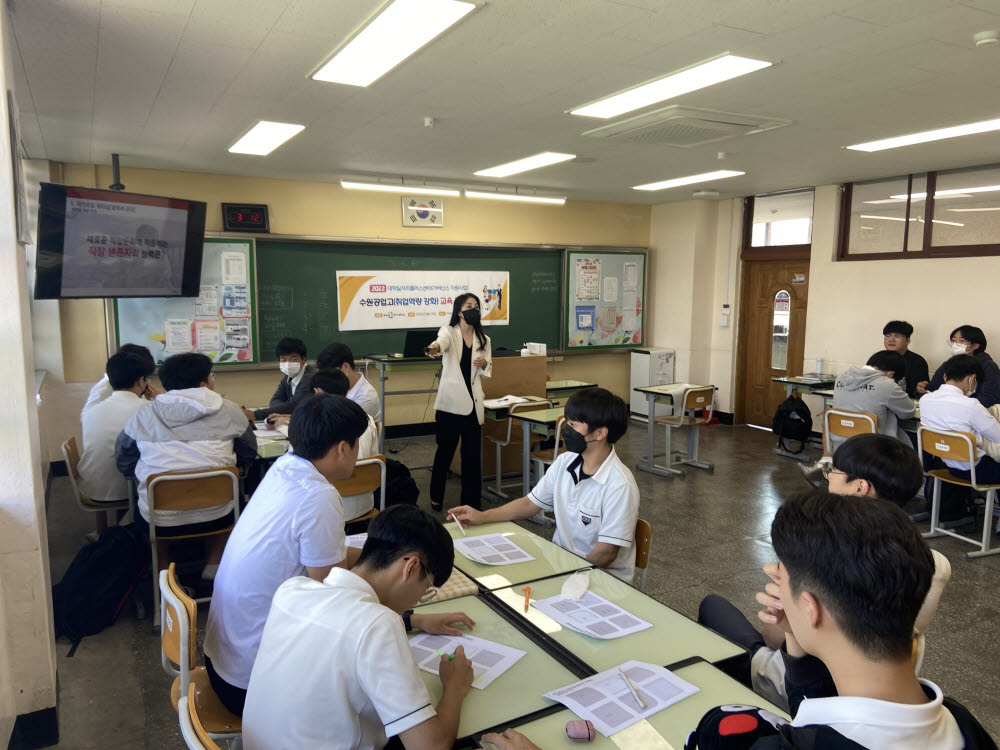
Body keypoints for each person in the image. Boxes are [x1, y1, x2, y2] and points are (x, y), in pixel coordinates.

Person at [701, 434, 949, 711]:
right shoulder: (928, 561)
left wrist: (787, 613)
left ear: (860, 487)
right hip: (875, 694)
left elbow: (775, 639)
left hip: (803, 683)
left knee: (712, 608)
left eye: (834, 471)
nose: (827, 478)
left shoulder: (821, 548)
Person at [242, 505, 475, 750]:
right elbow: (431, 746)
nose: (418, 599)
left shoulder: (292, 590)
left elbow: (342, 622)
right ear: (411, 567)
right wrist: (454, 687)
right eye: (426, 589)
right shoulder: (380, 625)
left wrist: (413, 620)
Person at [451, 387, 639, 581]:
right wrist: (482, 516)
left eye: (573, 425)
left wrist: (568, 578)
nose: (566, 429)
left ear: (599, 433)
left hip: (600, 578)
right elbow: (530, 504)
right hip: (562, 565)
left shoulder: (620, 485)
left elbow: (606, 553)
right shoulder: (565, 461)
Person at [115, 353, 257, 577]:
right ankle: (214, 564)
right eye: (211, 376)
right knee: (233, 493)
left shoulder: (144, 413)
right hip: (219, 513)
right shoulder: (229, 410)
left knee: (148, 503)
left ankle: (163, 570)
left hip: (159, 518)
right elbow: (249, 451)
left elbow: (123, 457)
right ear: (204, 383)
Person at [424, 293, 493, 511]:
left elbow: (487, 371)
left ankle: (471, 502)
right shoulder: (449, 332)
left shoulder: (484, 339)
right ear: (459, 311)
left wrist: (483, 365)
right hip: (450, 406)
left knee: (472, 458)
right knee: (444, 453)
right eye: (469, 306)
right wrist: (433, 349)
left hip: (473, 406)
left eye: (477, 306)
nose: (474, 309)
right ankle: (436, 497)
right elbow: (440, 343)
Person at [76, 351, 156, 534]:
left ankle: (110, 531)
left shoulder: (91, 412)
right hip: (131, 490)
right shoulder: (148, 410)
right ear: (141, 381)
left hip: (92, 486)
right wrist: (157, 400)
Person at [920, 354, 1000, 482]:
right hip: (976, 470)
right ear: (972, 379)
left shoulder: (925, 400)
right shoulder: (971, 405)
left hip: (947, 465)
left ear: (945, 376)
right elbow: (998, 436)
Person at [921, 325, 1000, 408]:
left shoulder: (989, 367)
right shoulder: (950, 364)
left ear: (975, 345)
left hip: (974, 413)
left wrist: (957, 404)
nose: (956, 344)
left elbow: (990, 399)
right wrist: (922, 389)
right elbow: (933, 389)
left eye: (962, 341)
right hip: (946, 409)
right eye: (954, 341)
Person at [242, 337, 316, 422]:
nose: (288, 364)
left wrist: (256, 415)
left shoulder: (311, 378)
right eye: (283, 359)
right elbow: (275, 400)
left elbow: (293, 406)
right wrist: (283, 409)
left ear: (303, 359)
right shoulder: (288, 377)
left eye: (293, 359)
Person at [82, 343, 160, 412]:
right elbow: (85, 417)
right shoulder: (105, 388)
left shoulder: (130, 385)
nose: (145, 382)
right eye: (143, 377)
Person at [316, 342, 382, 422]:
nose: (327, 379)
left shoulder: (366, 398)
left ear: (345, 367)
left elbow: (342, 427)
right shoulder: (338, 387)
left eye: (330, 374)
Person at [882, 320, 929, 400]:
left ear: (908, 340)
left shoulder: (917, 361)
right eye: (888, 335)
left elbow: (920, 391)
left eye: (897, 336)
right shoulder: (877, 359)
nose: (891, 340)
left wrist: (919, 390)